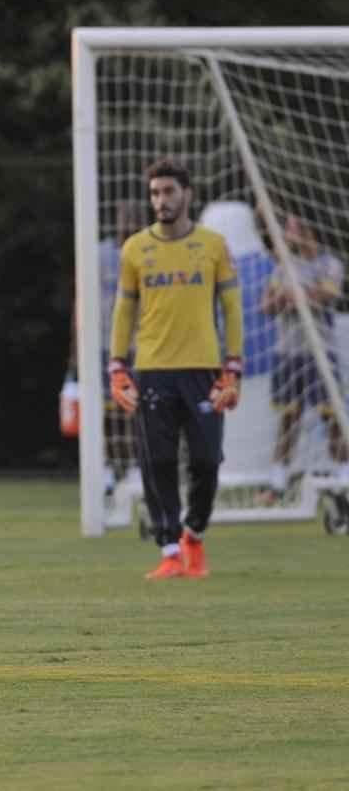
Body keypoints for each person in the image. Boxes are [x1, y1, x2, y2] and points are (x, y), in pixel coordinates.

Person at [108, 158, 244, 579]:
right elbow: (124, 309)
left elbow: (232, 307)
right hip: (153, 370)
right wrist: (117, 366)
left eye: (168, 191)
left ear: (187, 194)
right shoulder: (135, 248)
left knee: (206, 461)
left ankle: (194, 535)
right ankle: (168, 550)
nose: (161, 200)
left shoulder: (214, 245)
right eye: (154, 193)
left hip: (204, 370)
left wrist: (233, 367)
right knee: (158, 461)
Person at [259, 212, 349, 501]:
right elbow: (266, 305)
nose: (286, 233)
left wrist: (293, 296)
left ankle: (344, 478)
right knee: (288, 420)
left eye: (291, 228)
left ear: (307, 231)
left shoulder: (331, 264)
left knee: (332, 418)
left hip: (320, 352)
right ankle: (277, 483)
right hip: (288, 353)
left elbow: (325, 295)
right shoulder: (282, 266)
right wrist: (284, 298)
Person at [66, 201, 143, 495]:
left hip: (137, 345)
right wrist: (76, 347)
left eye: (135, 218)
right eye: (126, 217)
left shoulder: (148, 254)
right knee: (105, 410)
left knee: (136, 409)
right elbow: (81, 300)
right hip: (102, 344)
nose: (130, 223)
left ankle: (136, 466)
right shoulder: (100, 254)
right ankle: (108, 469)